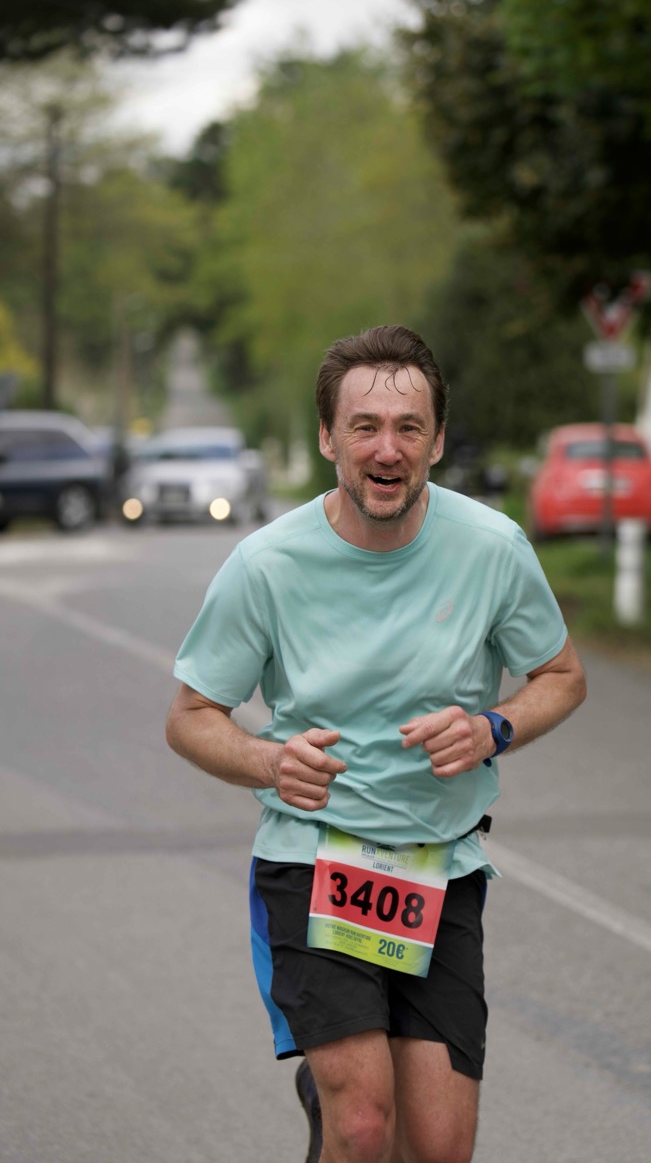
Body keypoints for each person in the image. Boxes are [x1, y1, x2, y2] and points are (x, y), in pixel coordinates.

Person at [166, 324, 586, 1163]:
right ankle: (337, 1102)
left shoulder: (490, 548)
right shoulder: (267, 564)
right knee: (363, 1129)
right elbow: (191, 715)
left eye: (407, 427)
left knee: (438, 1149)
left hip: (439, 867)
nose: (386, 449)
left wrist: (492, 727)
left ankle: (334, 1096)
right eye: (364, 427)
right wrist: (268, 760)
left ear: (436, 440)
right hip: (313, 857)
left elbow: (561, 675)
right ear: (329, 438)